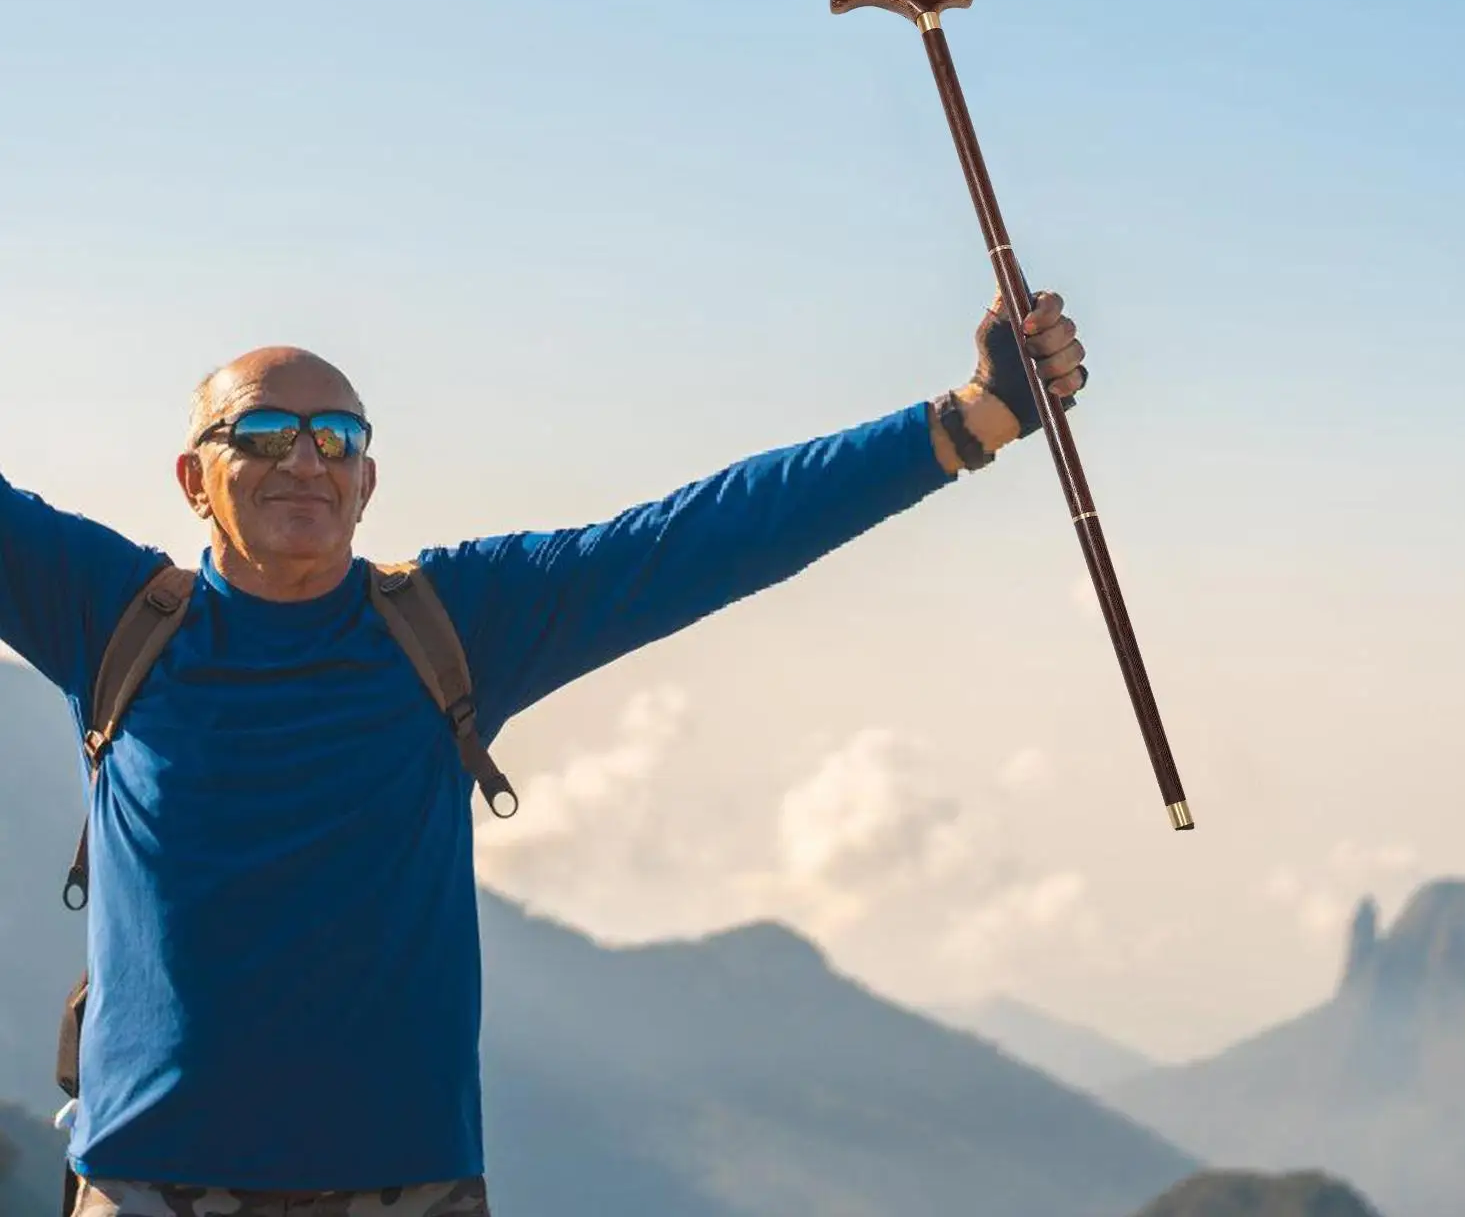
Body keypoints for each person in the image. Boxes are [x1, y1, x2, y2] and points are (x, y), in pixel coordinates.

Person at [0, 291, 1087, 1217]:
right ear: (195, 479)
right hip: (148, 1182)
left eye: (337, 437)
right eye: (265, 431)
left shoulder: (453, 621)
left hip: (403, 1183)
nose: (306, 459)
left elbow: (698, 537)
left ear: (368, 483)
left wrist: (974, 416)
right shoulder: (107, 614)